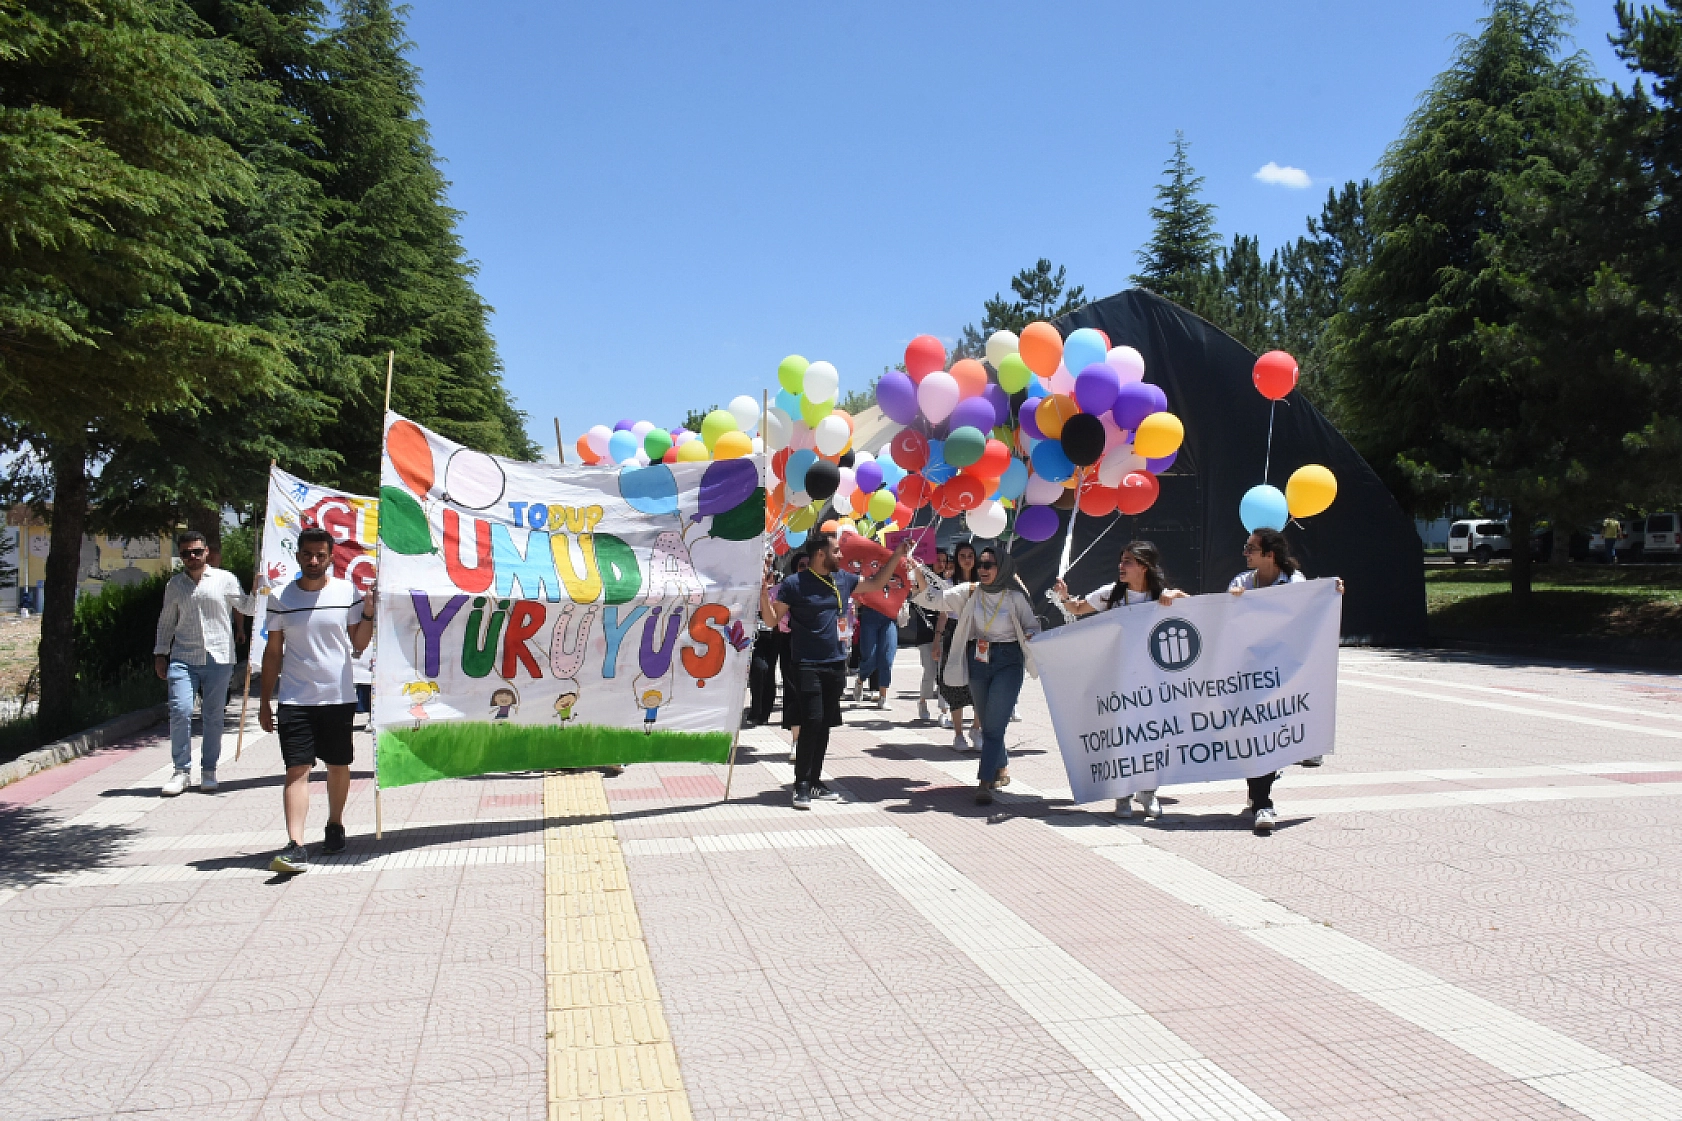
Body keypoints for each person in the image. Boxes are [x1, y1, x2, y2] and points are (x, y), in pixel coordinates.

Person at [763, 533, 909, 809]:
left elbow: (876, 583)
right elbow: (772, 620)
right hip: (806, 663)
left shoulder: (843, 579)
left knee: (824, 724)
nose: (841, 556)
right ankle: (801, 785)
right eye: (836, 551)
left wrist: (897, 556)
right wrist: (762, 593)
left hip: (835, 663)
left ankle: (815, 781)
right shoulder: (794, 584)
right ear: (821, 554)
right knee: (812, 720)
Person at [259, 528, 375, 873]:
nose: (313, 561)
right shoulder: (280, 597)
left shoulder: (346, 592)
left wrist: (368, 613)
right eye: (307, 555)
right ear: (298, 556)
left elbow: (359, 643)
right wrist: (265, 701)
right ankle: (295, 844)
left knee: (337, 765)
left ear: (330, 558)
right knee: (297, 769)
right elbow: (273, 652)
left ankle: (335, 824)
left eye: (320, 555)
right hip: (294, 699)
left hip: (337, 696)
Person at [1053, 540, 1189, 819]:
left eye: (1128, 561)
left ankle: (1148, 792)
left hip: (1155, 682)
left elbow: (1199, 612)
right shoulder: (1112, 594)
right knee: (1124, 737)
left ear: (1144, 566)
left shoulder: (1160, 596)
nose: (1121, 566)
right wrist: (1064, 597)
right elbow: (1077, 609)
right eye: (1121, 560)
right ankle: (1123, 795)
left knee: (1153, 736)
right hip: (1119, 681)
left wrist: (1177, 595)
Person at [1228, 528, 1344, 833]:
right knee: (1254, 732)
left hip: (1284, 672)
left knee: (1270, 731)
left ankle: (1262, 800)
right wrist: (1232, 602)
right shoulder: (1242, 582)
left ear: (1270, 555)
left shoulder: (1294, 583)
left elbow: (1311, 611)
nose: (1245, 553)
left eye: (1251, 548)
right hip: (1252, 673)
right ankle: (1261, 797)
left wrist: (1331, 592)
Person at [913, 547, 1040, 805]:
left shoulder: (1014, 597)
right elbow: (935, 600)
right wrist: (917, 572)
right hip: (978, 661)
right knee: (989, 719)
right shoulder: (970, 592)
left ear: (1001, 568)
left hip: (1008, 662)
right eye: (981, 565)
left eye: (988, 565)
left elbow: (1032, 625)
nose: (982, 569)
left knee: (992, 725)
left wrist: (1030, 635)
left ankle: (984, 781)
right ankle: (1001, 767)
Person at [153, 531, 253, 796]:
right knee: (180, 710)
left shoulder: (225, 579)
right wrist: (160, 653)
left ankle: (209, 770)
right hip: (183, 657)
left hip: (219, 657)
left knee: (213, 716)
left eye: (197, 551)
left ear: (206, 552)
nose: (192, 557)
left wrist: (259, 589)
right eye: (186, 553)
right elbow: (166, 621)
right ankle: (181, 771)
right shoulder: (175, 585)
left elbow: (248, 607)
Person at [935, 543, 981, 750]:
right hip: (954, 631)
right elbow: (943, 614)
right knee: (954, 681)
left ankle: (976, 728)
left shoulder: (982, 582)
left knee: (980, 679)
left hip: (978, 631)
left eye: (970, 555)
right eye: (962, 556)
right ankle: (958, 733)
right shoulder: (949, 583)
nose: (967, 559)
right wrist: (937, 640)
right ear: (956, 558)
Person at [746, 555, 784, 726]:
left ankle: (764, 713)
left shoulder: (778, 579)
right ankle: (756, 709)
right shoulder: (750, 579)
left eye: (769, 556)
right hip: (754, 634)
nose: (766, 559)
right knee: (758, 669)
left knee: (769, 672)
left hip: (774, 633)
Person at [852, 598, 897, 709]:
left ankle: (883, 697)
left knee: (887, 658)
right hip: (870, 612)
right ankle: (860, 680)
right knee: (870, 657)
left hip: (889, 615)